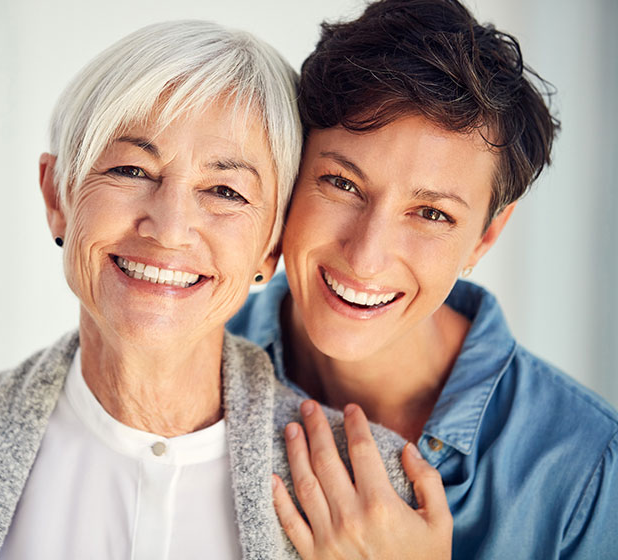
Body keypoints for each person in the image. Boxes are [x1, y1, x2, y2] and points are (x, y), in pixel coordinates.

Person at [0, 20, 450, 560]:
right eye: (131, 170)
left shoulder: (376, 502)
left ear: (270, 248)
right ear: (57, 197)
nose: (170, 228)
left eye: (225, 191)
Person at [226, 0, 618, 558]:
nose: (365, 257)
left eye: (432, 214)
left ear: (485, 237)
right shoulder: (192, 357)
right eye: (341, 183)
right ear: (292, 176)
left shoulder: (588, 468)